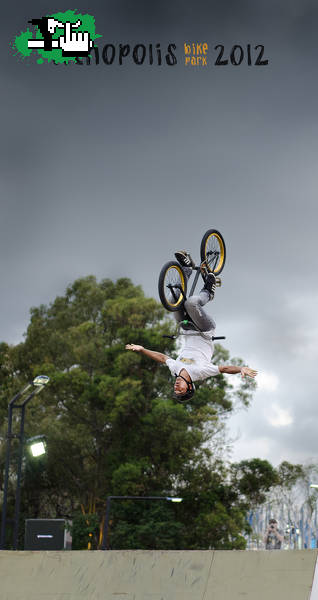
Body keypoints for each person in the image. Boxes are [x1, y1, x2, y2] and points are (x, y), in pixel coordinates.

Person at [126, 250, 257, 401]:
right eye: (180, 390)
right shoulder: (200, 373)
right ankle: (208, 291)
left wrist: (142, 349)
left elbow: (162, 358)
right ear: (189, 386)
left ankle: (186, 270)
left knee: (172, 301)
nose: (176, 387)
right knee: (191, 303)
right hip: (204, 330)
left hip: (186, 328)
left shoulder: (175, 369)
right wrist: (241, 368)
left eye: (175, 389)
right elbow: (224, 369)